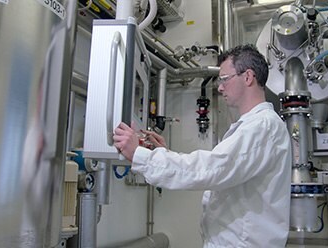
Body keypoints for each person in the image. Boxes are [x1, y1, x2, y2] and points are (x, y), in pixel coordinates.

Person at [113, 44, 292, 248]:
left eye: (225, 79)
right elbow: (220, 170)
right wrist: (164, 154)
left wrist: (139, 155)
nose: (220, 87)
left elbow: (212, 170)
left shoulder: (261, 127)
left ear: (248, 77)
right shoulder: (257, 126)